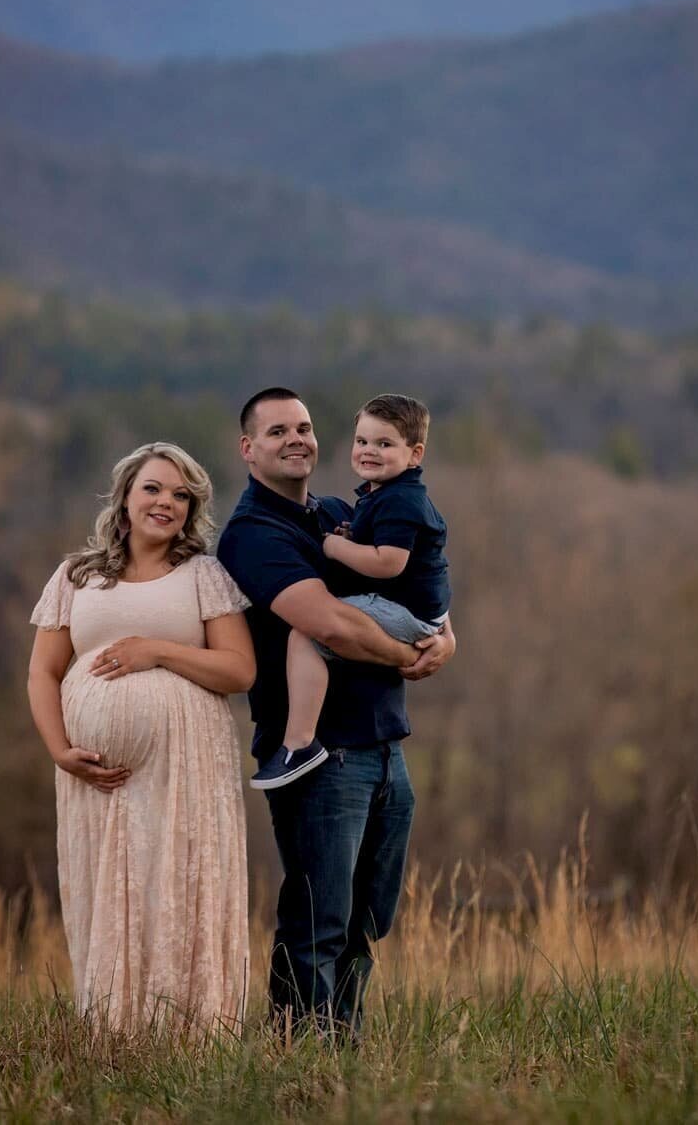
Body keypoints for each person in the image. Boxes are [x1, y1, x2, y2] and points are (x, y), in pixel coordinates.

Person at [216, 388, 458, 1036]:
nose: (295, 438)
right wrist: (408, 653)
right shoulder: (252, 534)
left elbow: (409, 578)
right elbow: (330, 625)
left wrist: (444, 635)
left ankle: (343, 1044)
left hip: (383, 742)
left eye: (303, 426)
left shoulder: (333, 512)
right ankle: (299, 1046)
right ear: (248, 448)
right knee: (319, 913)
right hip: (321, 756)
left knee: (367, 916)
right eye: (276, 431)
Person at [24, 441, 256, 1031]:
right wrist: (60, 752)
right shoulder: (76, 575)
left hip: (187, 767)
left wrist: (155, 650)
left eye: (182, 495)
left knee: (176, 886)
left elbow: (239, 670)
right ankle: (114, 1030)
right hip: (96, 777)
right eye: (153, 488)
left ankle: (191, 1030)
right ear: (125, 496)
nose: (167, 502)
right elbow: (43, 672)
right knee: (109, 889)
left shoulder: (203, 575)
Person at [252, 394, 450, 790]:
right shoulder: (380, 497)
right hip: (423, 615)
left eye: (384, 444)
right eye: (362, 442)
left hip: (411, 616)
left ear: (415, 454)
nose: (369, 451)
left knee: (306, 635)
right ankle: (299, 741)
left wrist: (335, 546)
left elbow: (389, 564)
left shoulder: (398, 499)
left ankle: (299, 742)